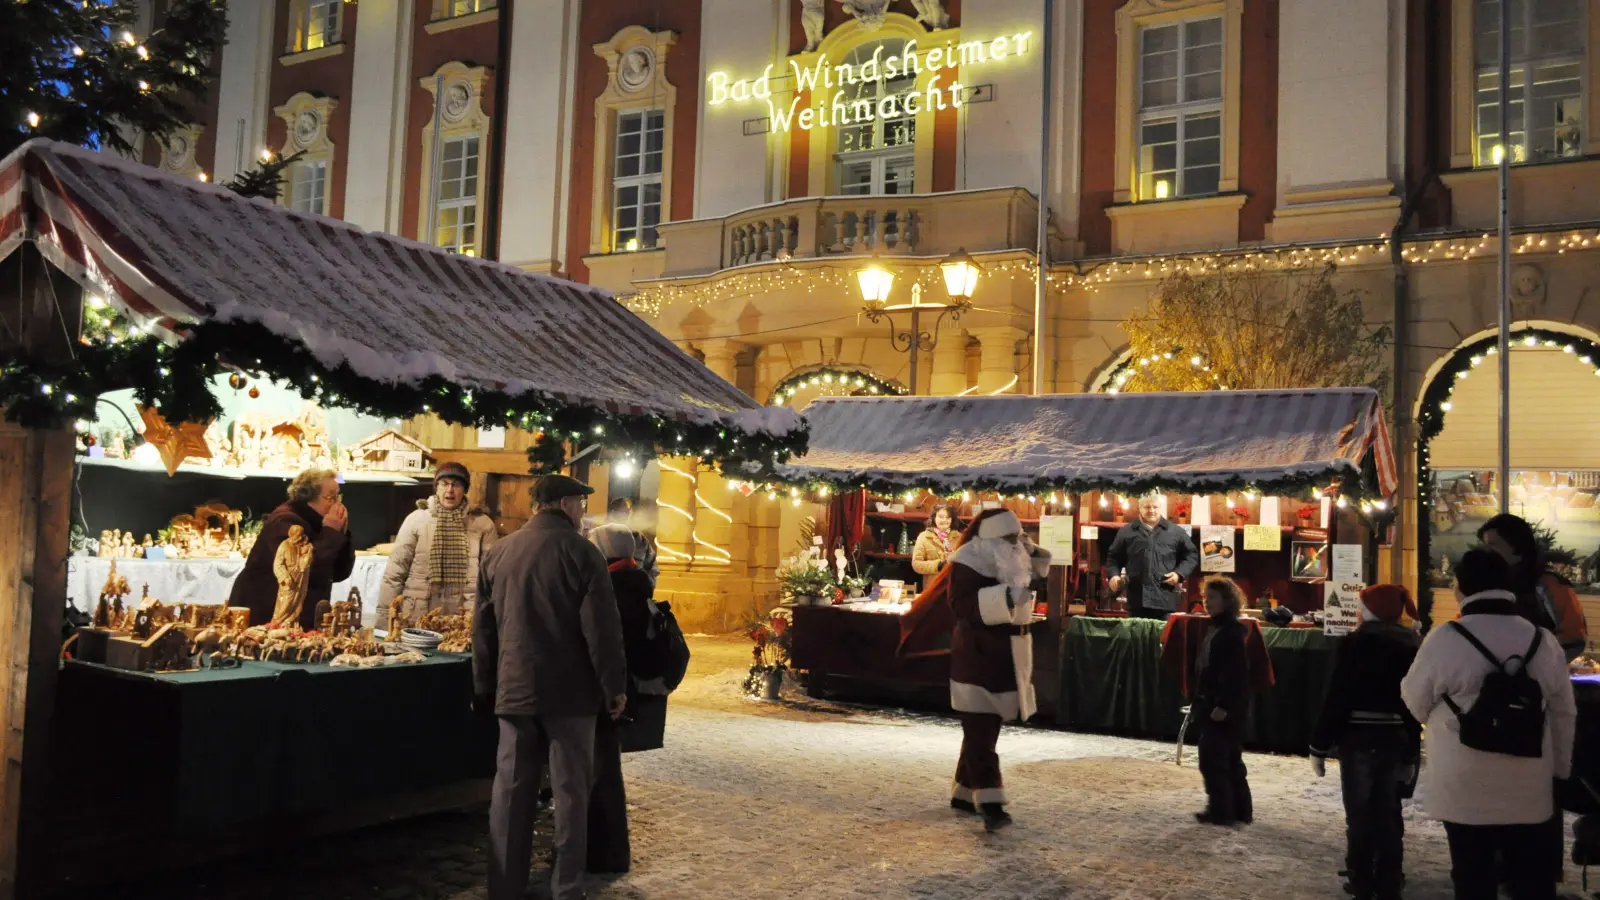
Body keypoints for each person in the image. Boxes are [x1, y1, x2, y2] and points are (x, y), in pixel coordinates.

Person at [474, 474, 628, 900]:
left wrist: (484, 686)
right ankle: (566, 887)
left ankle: (505, 888)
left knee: (510, 793)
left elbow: (482, 631)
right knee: (570, 794)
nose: (583, 512)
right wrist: (614, 687)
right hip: (571, 696)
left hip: (515, 690)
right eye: (580, 503)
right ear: (565, 504)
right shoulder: (583, 553)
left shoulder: (498, 552)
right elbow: (601, 629)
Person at [1401, 548, 1576, 900]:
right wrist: (1559, 771)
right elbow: (1563, 712)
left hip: (1463, 785)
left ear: (1460, 587)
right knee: (1527, 878)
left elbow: (1414, 702)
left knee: (1472, 875)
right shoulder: (1542, 641)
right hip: (1529, 785)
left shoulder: (1445, 638)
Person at [1309, 584, 1422, 900]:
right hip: (1395, 736)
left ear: (1369, 610)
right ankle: (1389, 877)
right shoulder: (1412, 644)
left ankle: (1361, 877)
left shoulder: (1353, 644)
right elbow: (1413, 703)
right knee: (1389, 810)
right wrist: (1411, 752)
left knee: (1359, 812)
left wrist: (1319, 744)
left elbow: (1337, 696)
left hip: (1358, 737)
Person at [942, 509, 1050, 832]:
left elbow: (1041, 567)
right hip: (976, 657)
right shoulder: (968, 561)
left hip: (1006, 658)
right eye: (1007, 538)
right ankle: (991, 803)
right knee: (980, 732)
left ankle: (964, 793)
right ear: (990, 538)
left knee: (984, 728)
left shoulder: (1012, 556)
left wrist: (1030, 549)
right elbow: (959, 604)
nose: (1013, 543)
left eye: (1015, 537)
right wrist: (1002, 598)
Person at [584, 524, 672, 874]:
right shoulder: (639, 583)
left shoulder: (613, 589)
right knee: (605, 772)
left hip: (610, 694)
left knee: (599, 774)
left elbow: (607, 645)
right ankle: (608, 852)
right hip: (625, 692)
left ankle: (603, 855)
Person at [228, 467, 354, 631]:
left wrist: (341, 533)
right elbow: (302, 570)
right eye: (331, 497)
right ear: (309, 497)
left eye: (338, 496)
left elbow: (338, 573)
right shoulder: (285, 522)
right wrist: (331, 534)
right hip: (267, 613)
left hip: (300, 616)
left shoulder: (320, 524)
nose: (338, 504)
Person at [379, 461, 498, 622]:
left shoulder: (482, 524)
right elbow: (395, 574)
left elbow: (492, 577)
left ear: (464, 490)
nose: (450, 490)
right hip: (417, 614)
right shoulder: (416, 520)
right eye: (444, 484)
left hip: (463, 615)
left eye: (456, 485)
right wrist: (385, 620)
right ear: (437, 487)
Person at [1478, 513, 1586, 660]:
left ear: (1515, 544)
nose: (1486, 551)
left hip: (1538, 677)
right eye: (1484, 545)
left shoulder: (1548, 584)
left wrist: (1533, 662)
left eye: (1492, 545)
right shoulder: (1486, 583)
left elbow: (1574, 638)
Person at [1193, 577, 1253, 826]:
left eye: (1214, 597)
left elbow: (1236, 673)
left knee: (1213, 758)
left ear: (1227, 601)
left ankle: (1221, 810)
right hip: (1218, 703)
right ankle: (1239, 809)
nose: (1207, 602)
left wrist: (1224, 705)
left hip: (1222, 705)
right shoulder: (1219, 628)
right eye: (1206, 597)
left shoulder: (1229, 633)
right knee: (1228, 757)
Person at [1105, 493, 1197, 620]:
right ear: (1140, 508)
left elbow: (1192, 555)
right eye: (1147, 507)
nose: (1151, 510)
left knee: (1161, 639)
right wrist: (1113, 575)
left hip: (1164, 600)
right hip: (1136, 600)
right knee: (1137, 639)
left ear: (1161, 508)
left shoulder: (1176, 532)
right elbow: (1113, 557)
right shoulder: (1126, 531)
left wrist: (1179, 574)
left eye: (1155, 507)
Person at [604, 497, 658, 586]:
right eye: (622, 512)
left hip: (635, 594)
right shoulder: (601, 536)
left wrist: (646, 586)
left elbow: (652, 568)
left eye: (628, 512)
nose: (627, 515)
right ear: (612, 513)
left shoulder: (640, 540)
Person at [912, 504, 960, 591]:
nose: (944, 520)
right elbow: (916, 564)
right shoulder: (923, 537)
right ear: (934, 518)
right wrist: (938, 565)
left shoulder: (959, 537)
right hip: (932, 590)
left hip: (954, 589)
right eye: (941, 517)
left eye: (948, 517)